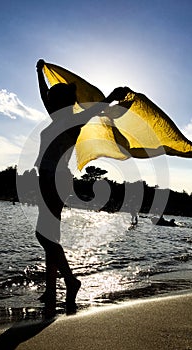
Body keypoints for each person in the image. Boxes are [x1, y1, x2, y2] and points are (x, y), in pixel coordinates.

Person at [35, 59, 130, 314]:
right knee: (49, 235)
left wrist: (111, 97)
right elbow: (44, 95)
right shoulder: (56, 119)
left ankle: (70, 280)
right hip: (47, 179)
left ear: (62, 103)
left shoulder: (73, 122)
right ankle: (52, 290)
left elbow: (95, 110)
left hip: (55, 179)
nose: (50, 102)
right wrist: (38, 72)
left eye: (55, 100)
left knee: (44, 236)